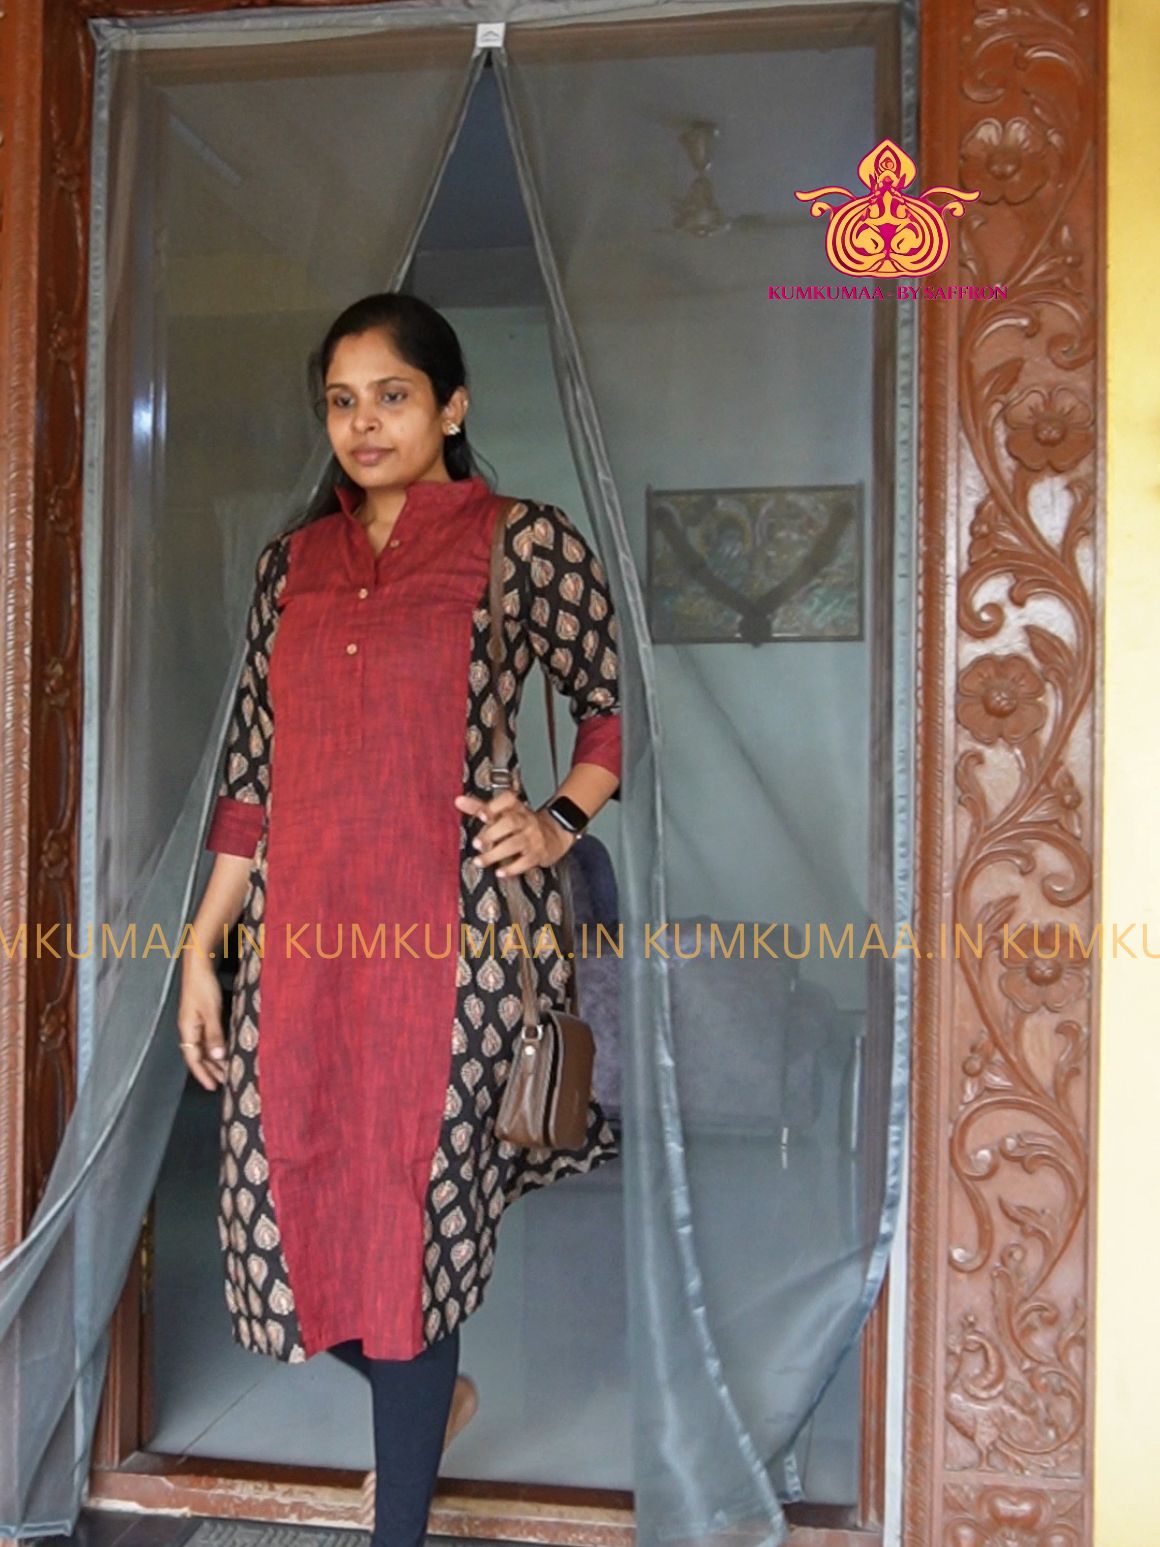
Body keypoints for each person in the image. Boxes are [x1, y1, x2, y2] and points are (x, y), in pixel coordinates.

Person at [175, 292, 623, 1547]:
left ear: (451, 406)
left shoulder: (520, 542)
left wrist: (556, 822)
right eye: (341, 400)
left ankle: (400, 1523)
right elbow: (252, 773)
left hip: (462, 940)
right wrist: (203, 948)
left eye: (392, 395)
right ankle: (437, 1402)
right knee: (284, 1210)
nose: (363, 423)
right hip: (301, 942)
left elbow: (610, 702)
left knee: (413, 1218)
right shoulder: (292, 562)